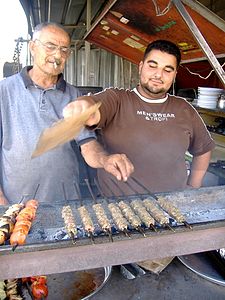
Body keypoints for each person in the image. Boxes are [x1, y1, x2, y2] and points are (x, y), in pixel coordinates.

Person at [0, 22, 133, 205]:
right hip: (15, 203)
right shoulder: (4, 91)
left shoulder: (74, 96)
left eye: (64, 50)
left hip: (66, 203)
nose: (57, 55)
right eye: (51, 46)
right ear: (33, 47)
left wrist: (105, 159)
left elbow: (87, 145)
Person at [64, 39, 215, 196]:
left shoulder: (184, 108)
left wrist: (193, 185)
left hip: (172, 207)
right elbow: (93, 108)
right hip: (118, 208)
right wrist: (83, 106)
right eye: (152, 65)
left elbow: (203, 149)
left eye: (167, 70)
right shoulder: (117, 99)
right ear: (141, 66)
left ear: (175, 75)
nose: (158, 74)